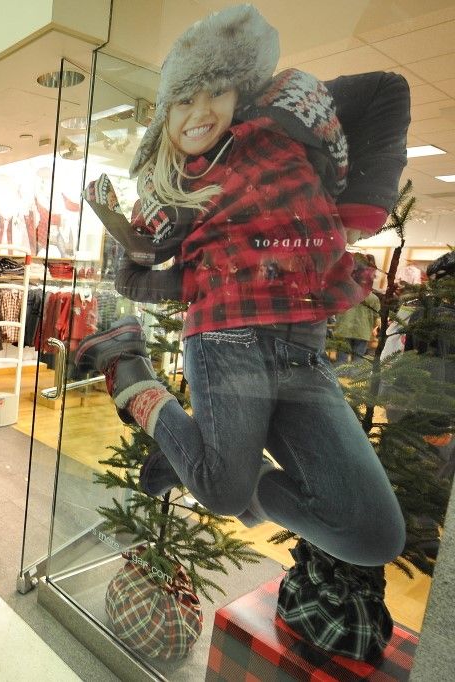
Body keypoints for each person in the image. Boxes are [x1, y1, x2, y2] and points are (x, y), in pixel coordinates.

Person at [75, 5, 408, 567]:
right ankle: (130, 372)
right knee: (223, 492)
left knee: (373, 536)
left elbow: (386, 89)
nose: (200, 112)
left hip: (302, 346)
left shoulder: (287, 116)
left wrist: (359, 210)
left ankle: (189, 459)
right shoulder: (175, 183)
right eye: (184, 100)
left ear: (242, 93)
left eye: (216, 92)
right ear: (165, 113)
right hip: (227, 342)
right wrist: (136, 244)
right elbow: (134, 273)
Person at [333, 290, 381, 363]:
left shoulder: (343, 294)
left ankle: (339, 373)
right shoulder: (373, 298)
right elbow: (376, 318)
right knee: (358, 358)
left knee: (341, 358)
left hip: (344, 329)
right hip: (363, 331)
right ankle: (355, 374)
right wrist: (372, 329)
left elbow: (334, 310)